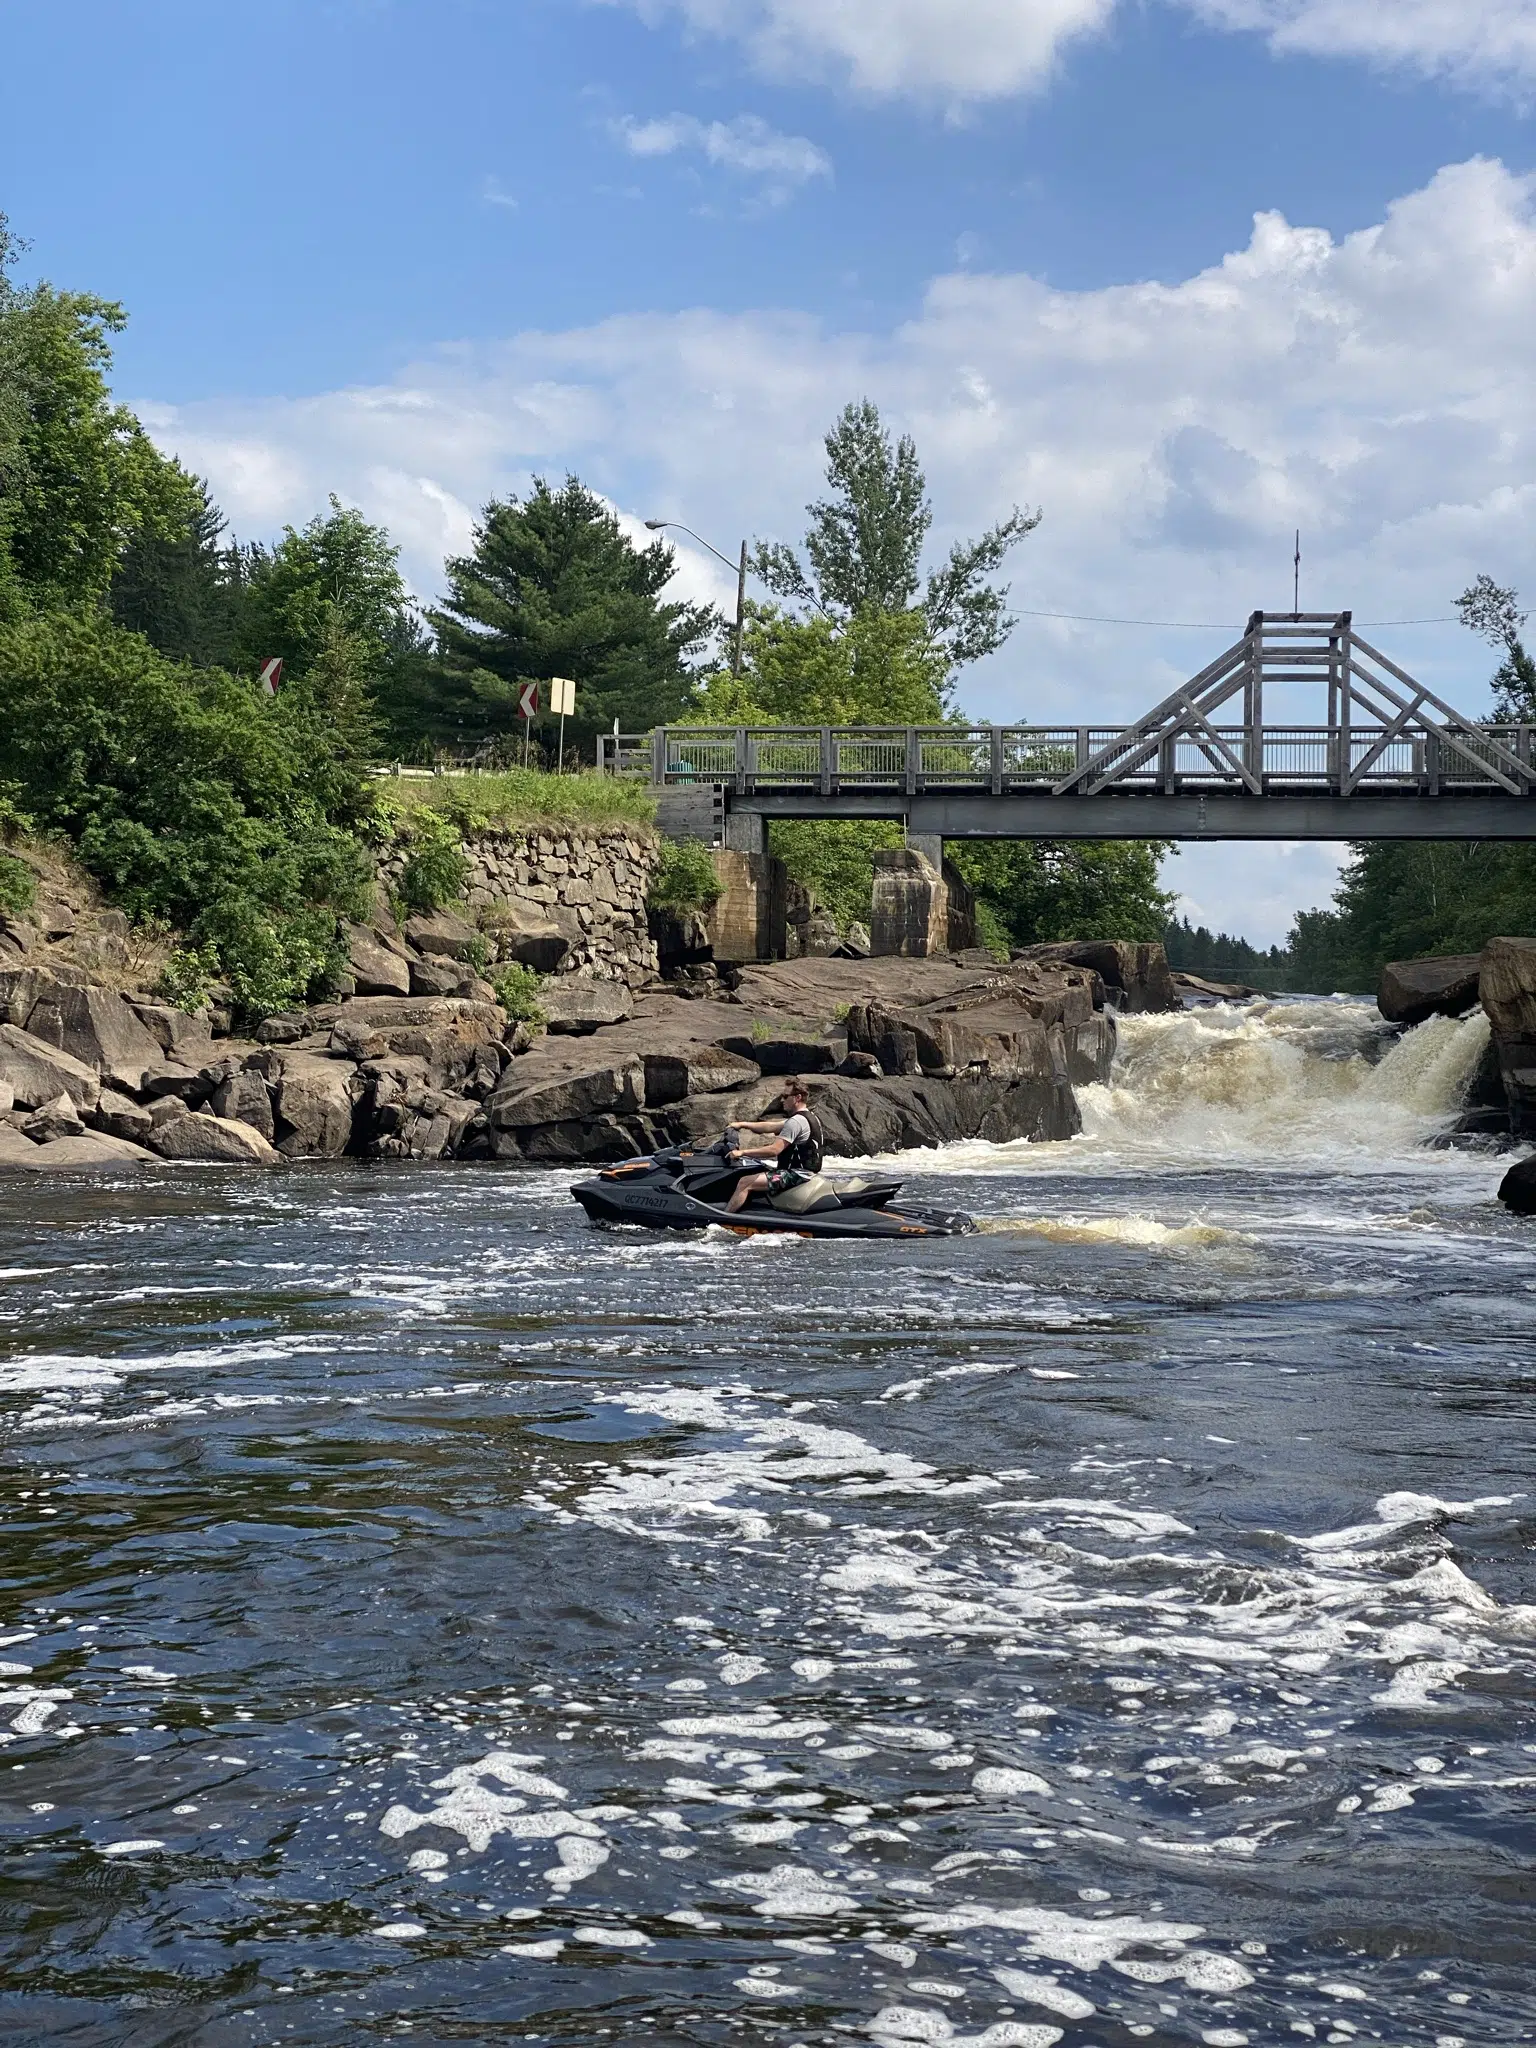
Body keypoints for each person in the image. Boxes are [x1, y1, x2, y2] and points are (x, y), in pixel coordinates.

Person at [725, 1079, 821, 1213]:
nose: (782, 1100)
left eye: (785, 1096)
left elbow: (774, 1150)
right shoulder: (809, 1117)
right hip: (806, 1172)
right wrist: (742, 1124)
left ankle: (724, 1218)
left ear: (797, 1098)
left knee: (744, 1182)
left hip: (796, 1174)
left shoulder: (796, 1122)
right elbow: (770, 1126)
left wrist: (742, 1152)